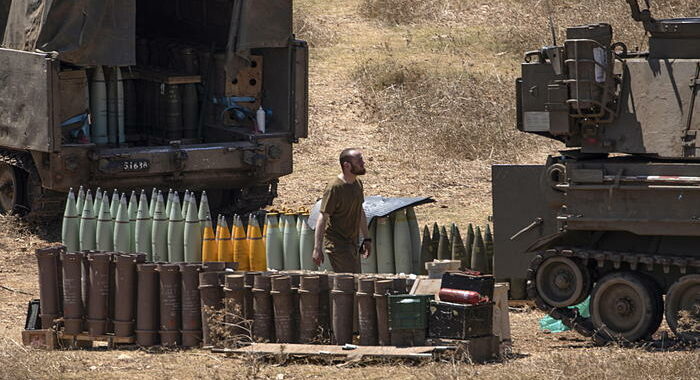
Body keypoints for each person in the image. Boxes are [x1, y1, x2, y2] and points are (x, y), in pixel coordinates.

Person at [313, 148, 371, 273]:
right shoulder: (335, 188)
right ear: (346, 165)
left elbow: (360, 212)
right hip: (337, 245)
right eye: (359, 161)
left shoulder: (358, 184)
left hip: (352, 243)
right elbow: (322, 218)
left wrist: (366, 239)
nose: (363, 163)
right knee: (350, 284)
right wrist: (317, 248)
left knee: (354, 282)